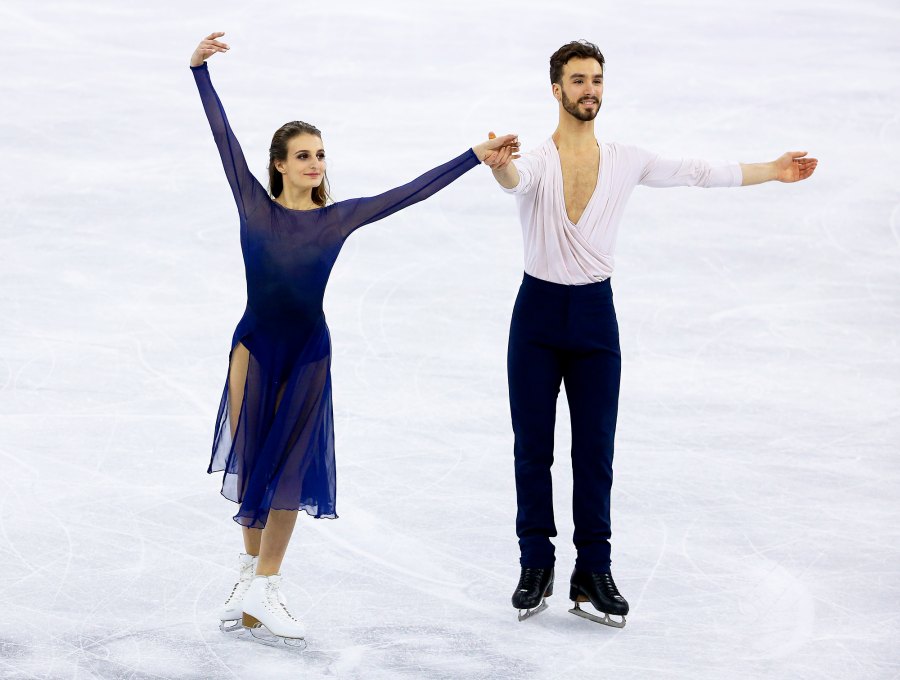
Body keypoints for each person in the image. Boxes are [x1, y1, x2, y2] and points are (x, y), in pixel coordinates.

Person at [189, 32, 518, 646]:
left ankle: (269, 581)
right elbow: (222, 138)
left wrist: (474, 155)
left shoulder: (337, 219)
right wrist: (199, 72)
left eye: (320, 154)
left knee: (288, 467)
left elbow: (410, 192)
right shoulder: (254, 207)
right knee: (253, 457)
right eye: (304, 155)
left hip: (308, 354)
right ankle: (249, 578)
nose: (316, 163)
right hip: (253, 348)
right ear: (280, 164)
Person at [482, 39, 817, 627]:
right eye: (578, 81)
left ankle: (594, 570)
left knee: (595, 453)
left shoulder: (627, 158)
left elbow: (697, 172)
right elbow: (515, 181)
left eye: (596, 80)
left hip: (594, 320)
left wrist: (773, 171)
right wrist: (500, 163)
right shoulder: (536, 159)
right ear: (556, 90)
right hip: (535, 318)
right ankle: (535, 562)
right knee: (532, 450)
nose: (590, 90)